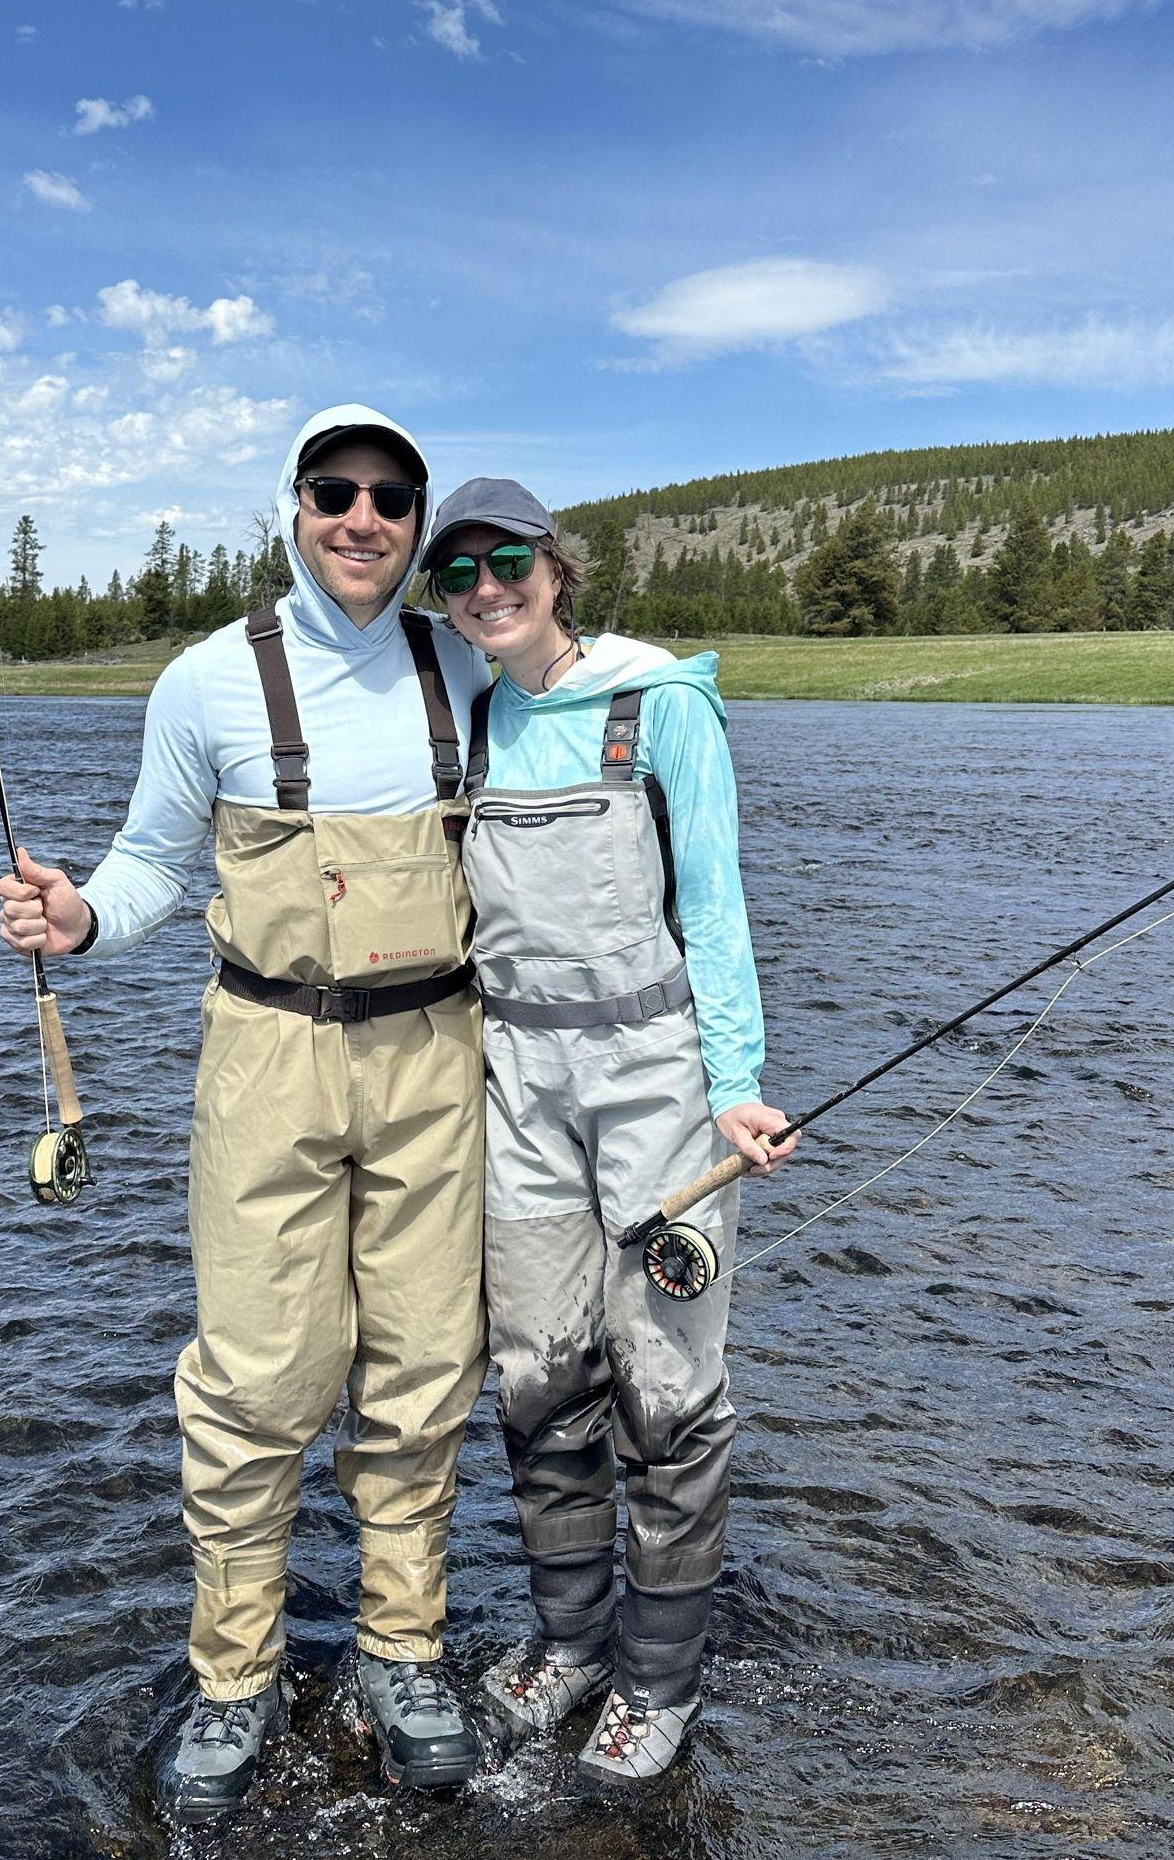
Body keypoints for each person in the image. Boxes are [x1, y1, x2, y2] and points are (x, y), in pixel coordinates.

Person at [0, 408, 492, 1824]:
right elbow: (151, 864)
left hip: (439, 1061)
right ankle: (237, 1675)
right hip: (267, 1058)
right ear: (293, 505)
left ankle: (401, 1654)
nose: (363, 518)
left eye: (392, 498)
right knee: (261, 1380)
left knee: (421, 1374)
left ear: (414, 522)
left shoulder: (467, 665)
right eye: (336, 491)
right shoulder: (207, 683)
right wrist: (78, 917)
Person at [418, 477, 796, 1787]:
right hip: (515, 1078)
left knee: (669, 1392)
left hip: (658, 1077)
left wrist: (737, 1082)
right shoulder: (466, 717)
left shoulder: (661, 704)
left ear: (555, 568)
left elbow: (720, 903)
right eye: (457, 575)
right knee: (537, 1378)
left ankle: (658, 1682)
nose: (486, 588)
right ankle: (573, 1642)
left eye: (507, 560)